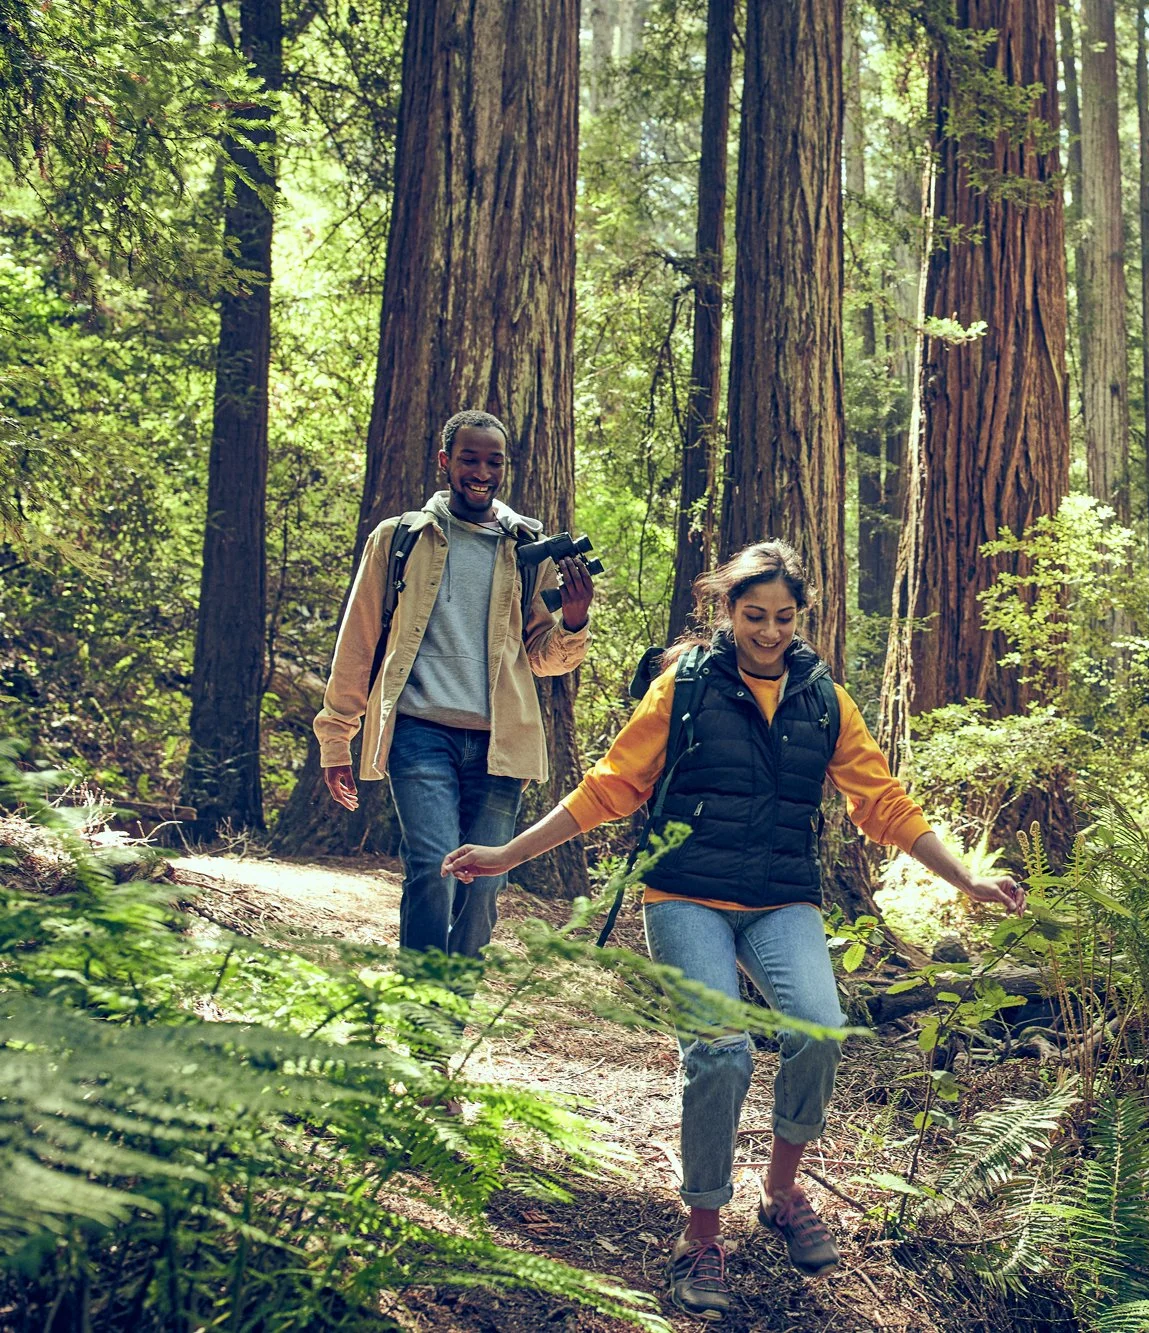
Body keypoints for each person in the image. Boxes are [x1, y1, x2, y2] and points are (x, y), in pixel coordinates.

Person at [439, 540, 1022, 1321]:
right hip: (684, 893)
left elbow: (883, 803)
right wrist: (509, 853)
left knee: (818, 1028)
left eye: (783, 617)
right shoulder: (683, 687)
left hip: (782, 897)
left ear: (799, 617)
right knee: (720, 1051)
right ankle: (700, 1233)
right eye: (754, 615)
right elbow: (609, 786)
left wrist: (965, 878)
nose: (770, 631)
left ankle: (781, 1193)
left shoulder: (824, 699)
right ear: (728, 612)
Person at [313, 408, 595, 955]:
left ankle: (450, 1016)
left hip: (500, 743)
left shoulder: (526, 546)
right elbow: (359, 641)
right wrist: (336, 736)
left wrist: (576, 620)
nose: (481, 472)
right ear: (446, 462)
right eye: (469, 459)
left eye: (494, 462)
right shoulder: (400, 539)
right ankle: (423, 1014)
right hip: (420, 734)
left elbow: (542, 659)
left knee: (485, 883)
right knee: (432, 868)